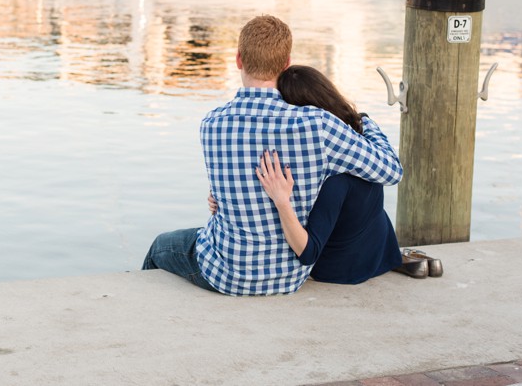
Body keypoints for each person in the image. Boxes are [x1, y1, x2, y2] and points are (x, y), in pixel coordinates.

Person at [141, 15, 403, 295]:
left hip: (225, 272)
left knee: (161, 245)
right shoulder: (318, 124)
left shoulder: (211, 124)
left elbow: (226, 196)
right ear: (286, 63)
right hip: (290, 275)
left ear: (239, 59)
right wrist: (364, 122)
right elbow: (391, 171)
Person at [255, 65, 402, 284]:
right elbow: (392, 168)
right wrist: (364, 120)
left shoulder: (334, 180)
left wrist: (281, 201)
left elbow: (308, 253)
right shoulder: (362, 142)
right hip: (383, 253)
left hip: (341, 270)